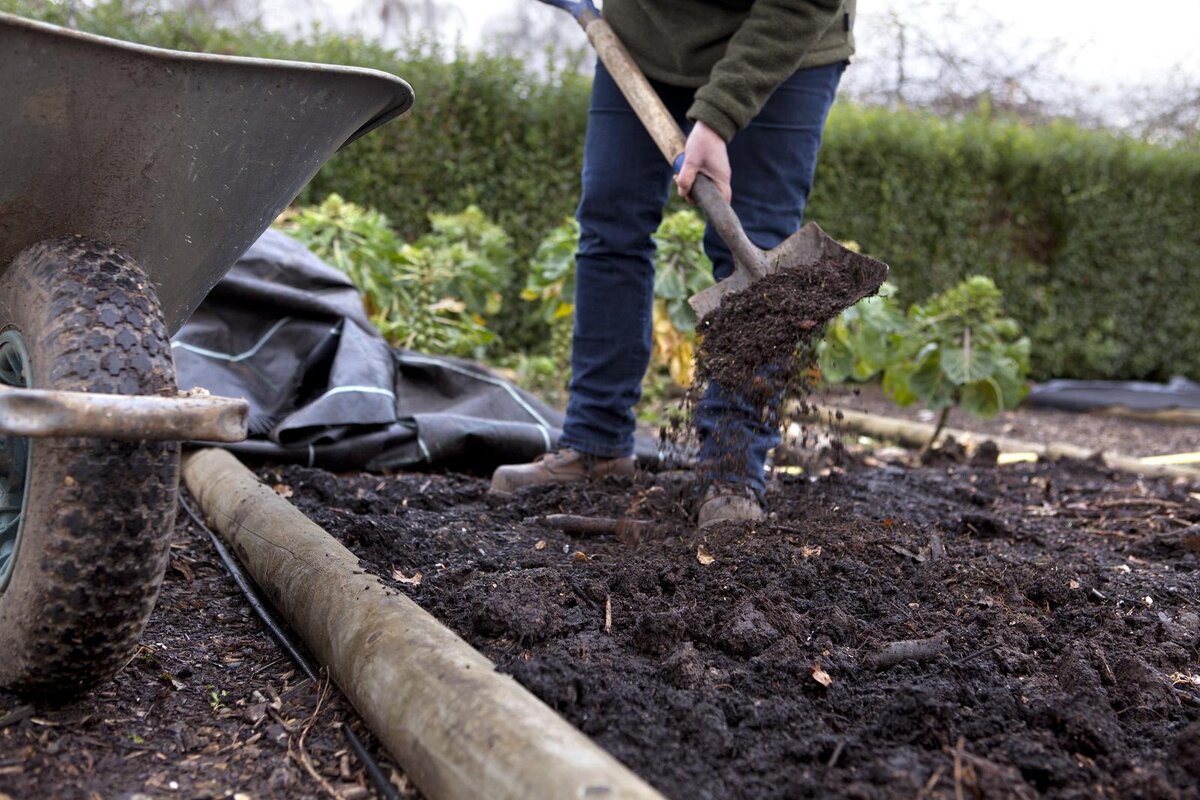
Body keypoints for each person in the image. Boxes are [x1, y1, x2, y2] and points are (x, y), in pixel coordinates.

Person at [491, 0, 856, 527]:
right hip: (645, 41)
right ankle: (597, 441)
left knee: (752, 245)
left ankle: (732, 469)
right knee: (610, 225)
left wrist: (719, 116)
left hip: (782, 41)